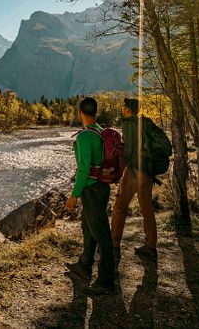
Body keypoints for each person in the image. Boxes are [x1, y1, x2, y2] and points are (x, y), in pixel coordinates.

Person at [66, 97, 115, 294]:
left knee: (101, 233)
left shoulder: (85, 137)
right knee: (88, 227)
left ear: (80, 112)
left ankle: (107, 280)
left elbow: (84, 170)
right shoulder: (102, 132)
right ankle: (84, 265)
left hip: (92, 189)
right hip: (102, 187)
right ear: (95, 112)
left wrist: (74, 195)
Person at [111, 98, 158, 262]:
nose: (122, 109)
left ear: (128, 110)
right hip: (148, 171)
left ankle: (114, 246)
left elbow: (129, 152)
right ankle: (151, 247)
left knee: (119, 207)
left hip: (134, 171)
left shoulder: (128, 124)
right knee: (147, 209)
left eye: (123, 107)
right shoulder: (147, 122)